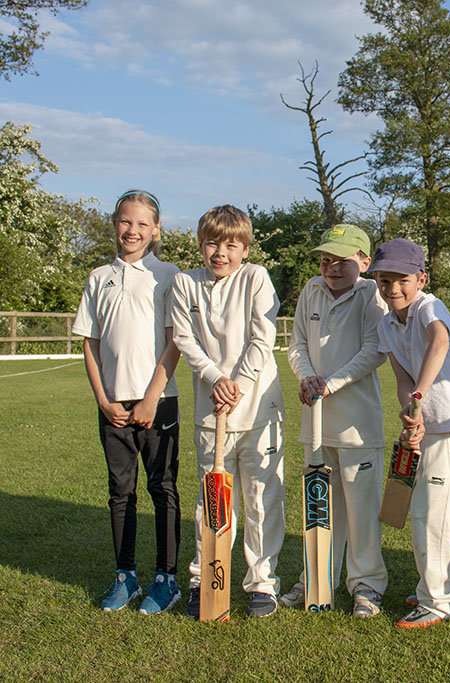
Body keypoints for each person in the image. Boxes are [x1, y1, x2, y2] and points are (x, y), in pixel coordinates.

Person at [170, 204, 286, 619]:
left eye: (230, 245)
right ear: (201, 244)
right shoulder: (186, 283)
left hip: (257, 406)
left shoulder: (255, 278)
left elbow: (262, 336)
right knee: (213, 501)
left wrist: (235, 382)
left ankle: (262, 583)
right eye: (212, 243)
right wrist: (213, 377)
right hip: (211, 409)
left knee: (260, 498)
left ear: (244, 248)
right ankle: (205, 577)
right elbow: (185, 339)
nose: (220, 253)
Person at [72, 189, 182, 614]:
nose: (132, 230)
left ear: (156, 230)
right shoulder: (99, 277)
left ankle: (166, 579)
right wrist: (103, 400)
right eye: (125, 221)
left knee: (162, 487)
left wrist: (152, 397)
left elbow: (174, 342)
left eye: (142, 224)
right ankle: (125, 576)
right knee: (121, 492)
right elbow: (91, 344)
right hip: (112, 405)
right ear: (115, 224)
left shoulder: (168, 275)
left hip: (159, 402)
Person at [277, 224, 389, 617]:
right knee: (320, 508)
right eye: (326, 260)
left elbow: (376, 349)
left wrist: (330, 383)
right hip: (317, 423)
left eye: (342, 261)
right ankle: (315, 578)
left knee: (362, 511)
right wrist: (307, 377)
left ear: (364, 261)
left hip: (358, 425)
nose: (332, 268)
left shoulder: (372, 294)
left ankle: (367, 586)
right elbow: (297, 345)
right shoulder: (311, 289)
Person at [369, 238, 450, 628]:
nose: (392, 288)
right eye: (383, 281)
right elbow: (401, 377)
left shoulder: (430, 306)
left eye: (401, 280)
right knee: (426, 513)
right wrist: (409, 414)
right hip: (423, 428)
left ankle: (437, 601)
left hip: (448, 426)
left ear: (420, 278)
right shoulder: (386, 323)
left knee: (434, 517)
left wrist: (420, 396)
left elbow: (440, 342)